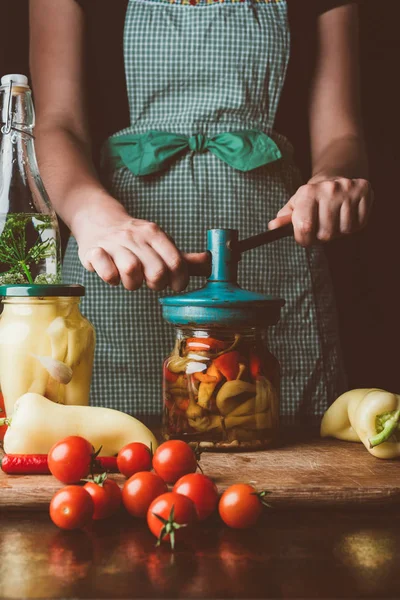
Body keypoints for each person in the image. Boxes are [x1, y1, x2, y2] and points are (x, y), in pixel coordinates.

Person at [29, 0, 372, 417]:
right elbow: (55, 122)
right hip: (116, 262)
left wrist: (331, 181)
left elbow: (342, 135)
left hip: (275, 256)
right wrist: (90, 214)